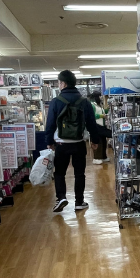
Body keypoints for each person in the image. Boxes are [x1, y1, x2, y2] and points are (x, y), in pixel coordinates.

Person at [44, 70, 105, 213]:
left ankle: (61, 198)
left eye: (59, 83)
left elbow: (50, 124)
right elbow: (91, 123)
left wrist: (49, 141)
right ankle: (79, 202)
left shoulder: (56, 102)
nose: (59, 85)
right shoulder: (84, 102)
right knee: (79, 173)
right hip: (78, 143)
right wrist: (95, 140)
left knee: (59, 173)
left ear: (63, 83)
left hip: (61, 144)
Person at [89, 91, 109, 164]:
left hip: (102, 125)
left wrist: (107, 108)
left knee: (103, 141)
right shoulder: (92, 105)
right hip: (96, 126)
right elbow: (92, 116)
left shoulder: (99, 105)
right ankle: (96, 157)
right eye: (100, 96)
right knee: (98, 141)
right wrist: (101, 116)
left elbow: (104, 112)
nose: (101, 98)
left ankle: (103, 156)